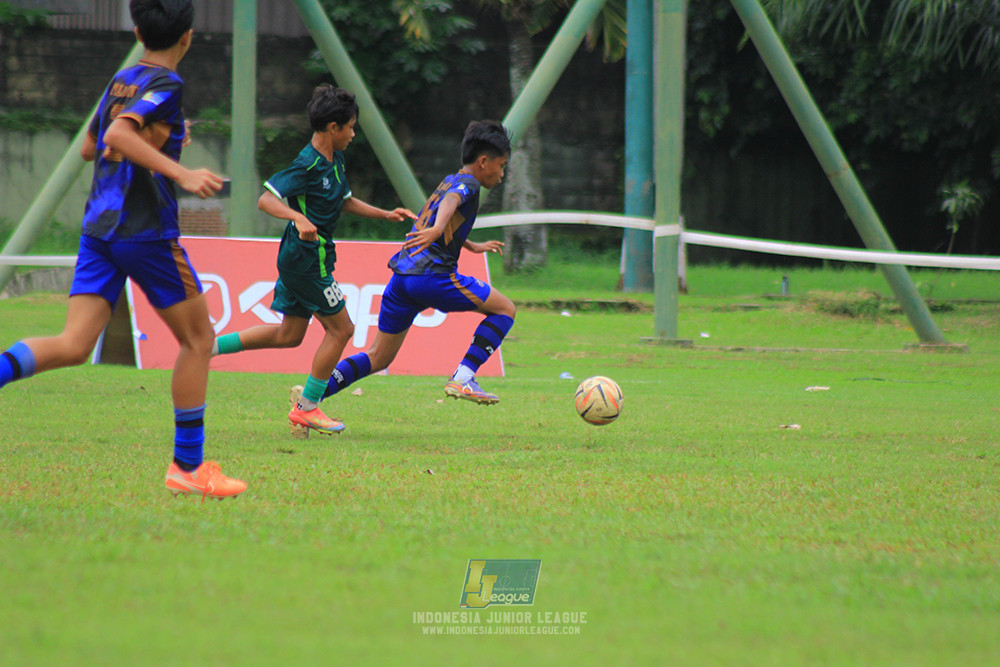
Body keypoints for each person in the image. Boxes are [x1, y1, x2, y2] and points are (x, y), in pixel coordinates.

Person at [0, 0, 245, 500]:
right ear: (189, 37)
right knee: (199, 340)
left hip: (99, 230)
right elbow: (115, 134)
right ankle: (188, 467)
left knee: (73, 343)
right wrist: (181, 170)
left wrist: (167, 138)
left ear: (136, 29)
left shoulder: (122, 80)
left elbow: (93, 146)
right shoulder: (168, 84)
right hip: (144, 231)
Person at [210, 84, 416, 435]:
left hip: (302, 258)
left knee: (289, 334)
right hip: (307, 259)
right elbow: (267, 199)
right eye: (350, 127)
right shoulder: (306, 163)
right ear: (332, 128)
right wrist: (298, 217)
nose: (353, 134)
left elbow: (345, 201)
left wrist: (385, 215)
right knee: (343, 329)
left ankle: (208, 347)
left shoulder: (335, 162)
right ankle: (307, 408)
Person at [320, 119, 514, 408]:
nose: (501, 175)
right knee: (505, 309)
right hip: (432, 278)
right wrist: (437, 229)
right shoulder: (468, 184)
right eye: (501, 166)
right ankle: (463, 378)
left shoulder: (450, 179)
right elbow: (450, 203)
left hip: (402, 280)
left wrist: (470, 244)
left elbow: (448, 212)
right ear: (484, 161)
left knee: (379, 357)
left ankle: (312, 395)